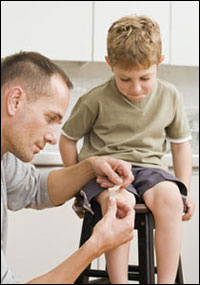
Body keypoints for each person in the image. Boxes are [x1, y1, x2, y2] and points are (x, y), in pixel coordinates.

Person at [60, 15, 196, 284]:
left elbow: (181, 148)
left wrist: (186, 192)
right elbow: (66, 139)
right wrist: (75, 185)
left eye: (145, 77)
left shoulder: (170, 96)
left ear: (160, 63)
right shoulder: (95, 98)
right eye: (125, 79)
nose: (136, 88)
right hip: (106, 171)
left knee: (170, 198)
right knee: (120, 203)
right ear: (110, 64)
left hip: (151, 171)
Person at [1, 51, 136, 284]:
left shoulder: (5, 155)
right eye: (50, 117)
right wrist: (95, 247)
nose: (54, 137)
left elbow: (34, 188)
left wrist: (91, 167)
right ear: (15, 101)